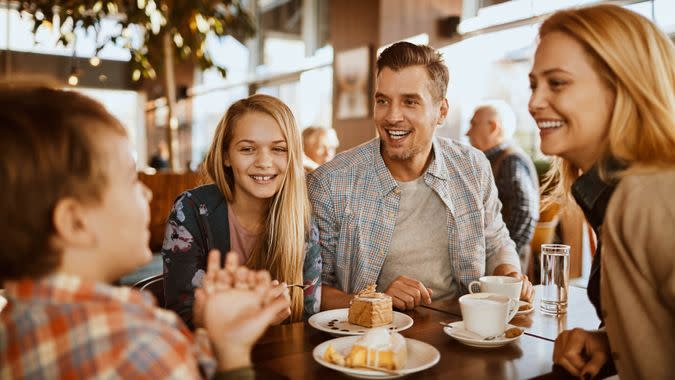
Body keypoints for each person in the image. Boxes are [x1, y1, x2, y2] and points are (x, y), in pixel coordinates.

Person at [0, 85, 290, 378]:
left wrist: (222, 340)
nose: (148, 195)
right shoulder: (143, 347)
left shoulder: (12, 327)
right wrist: (234, 359)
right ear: (75, 222)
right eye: (131, 180)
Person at [308, 42, 534, 311]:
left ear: (441, 112)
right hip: (369, 343)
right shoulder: (331, 183)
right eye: (383, 101)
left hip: (463, 331)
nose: (392, 116)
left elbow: (496, 242)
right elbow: (313, 289)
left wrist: (509, 276)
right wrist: (376, 303)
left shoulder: (472, 166)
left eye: (410, 102)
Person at [527, 4, 675, 379]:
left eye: (557, 83)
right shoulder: (617, 191)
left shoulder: (654, 194)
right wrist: (612, 342)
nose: (533, 102)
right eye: (534, 84)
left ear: (623, 85)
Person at [162, 94, 321, 329]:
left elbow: (308, 316)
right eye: (247, 149)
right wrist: (254, 319)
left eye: (278, 149)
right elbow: (181, 318)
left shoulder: (301, 220)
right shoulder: (191, 211)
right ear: (226, 155)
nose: (264, 162)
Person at [467, 100, 539, 270]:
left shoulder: (511, 160)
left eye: (473, 124)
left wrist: (505, 256)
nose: (467, 131)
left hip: (503, 272)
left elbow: (525, 211)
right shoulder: (488, 160)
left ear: (493, 127)